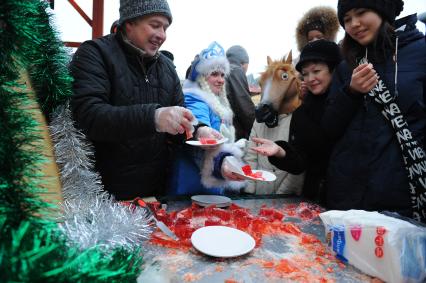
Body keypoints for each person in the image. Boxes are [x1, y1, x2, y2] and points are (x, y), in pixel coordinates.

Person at [70, 0, 214, 200]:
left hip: (155, 193)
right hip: (104, 194)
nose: (162, 35)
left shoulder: (167, 68)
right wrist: (153, 117)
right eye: (155, 25)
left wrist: (199, 131)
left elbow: (180, 122)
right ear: (129, 23)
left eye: (165, 28)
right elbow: (88, 116)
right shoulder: (95, 54)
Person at [323, 0, 426, 221]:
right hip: (346, 197)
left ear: (383, 11)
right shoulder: (346, 65)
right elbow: (330, 127)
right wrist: (351, 92)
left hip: (402, 196)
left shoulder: (420, 53)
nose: (354, 24)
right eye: (347, 19)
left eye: (361, 13)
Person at [250, 40, 342, 204]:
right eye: (305, 74)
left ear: (333, 69)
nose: (310, 78)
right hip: (316, 196)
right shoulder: (303, 111)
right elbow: (301, 161)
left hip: (345, 192)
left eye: (316, 71)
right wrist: (281, 152)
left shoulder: (348, 98)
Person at [168, 41, 246, 195]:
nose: (221, 80)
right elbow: (199, 125)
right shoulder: (194, 98)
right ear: (202, 77)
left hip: (209, 177)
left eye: (223, 75)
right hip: (192, 182)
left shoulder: (212, 100)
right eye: (214, 74)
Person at [295, 6, 340, 98]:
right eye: (310, 39)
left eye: (319, 37)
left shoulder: (339, 57)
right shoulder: (303, 63)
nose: (315, 40)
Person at [225, 45, 255, 140]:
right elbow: (244, 107)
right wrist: (256, 130)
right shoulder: (236, 70)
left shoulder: (224, 70)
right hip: (234, 133)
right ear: (243, 62)